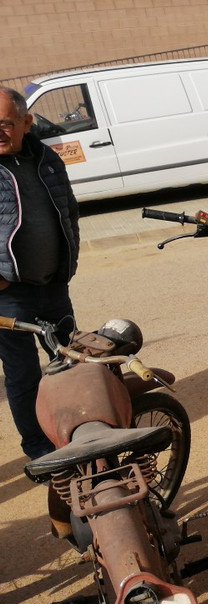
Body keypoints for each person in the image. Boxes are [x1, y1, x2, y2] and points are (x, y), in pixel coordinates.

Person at [0, 87, 79, 460]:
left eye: (5, 124)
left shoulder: (46, 158)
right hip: (8, 294)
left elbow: (68, 210)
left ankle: (76, 430)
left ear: (26, 122)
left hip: (53, 284)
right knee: (23, 376)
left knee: (71, 362)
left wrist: (69, 262)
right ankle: (39, 449)